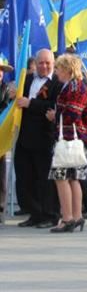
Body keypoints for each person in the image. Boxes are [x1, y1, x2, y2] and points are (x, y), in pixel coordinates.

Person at [45, 54, 87, 233]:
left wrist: (55, 115)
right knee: (75, 178)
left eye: (58, 68)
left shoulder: (74, 86)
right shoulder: (74, 85)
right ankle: (77, 216)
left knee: (61, 178)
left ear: (67, 70)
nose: (56, 72)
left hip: (69, 138)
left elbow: (73, 113)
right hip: (75, 140)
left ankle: (67, 218)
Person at [14, 49, 62, 229]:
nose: (44, 66)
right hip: (25, 136)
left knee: (45, 179)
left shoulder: (56, 83)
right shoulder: (27, 80)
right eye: (41, 62)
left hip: (44, 137)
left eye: (47, 63)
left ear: (53, 64)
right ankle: (34, 213)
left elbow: (53, 106)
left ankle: (50, 215)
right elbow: (18, 99)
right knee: (25, 177)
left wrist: (30, 103)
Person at [0, 61, 16, 222]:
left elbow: (6, 108)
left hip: (1, 134)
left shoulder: (6, 89)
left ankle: (1, 207)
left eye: (1, 71)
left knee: (1, 174)